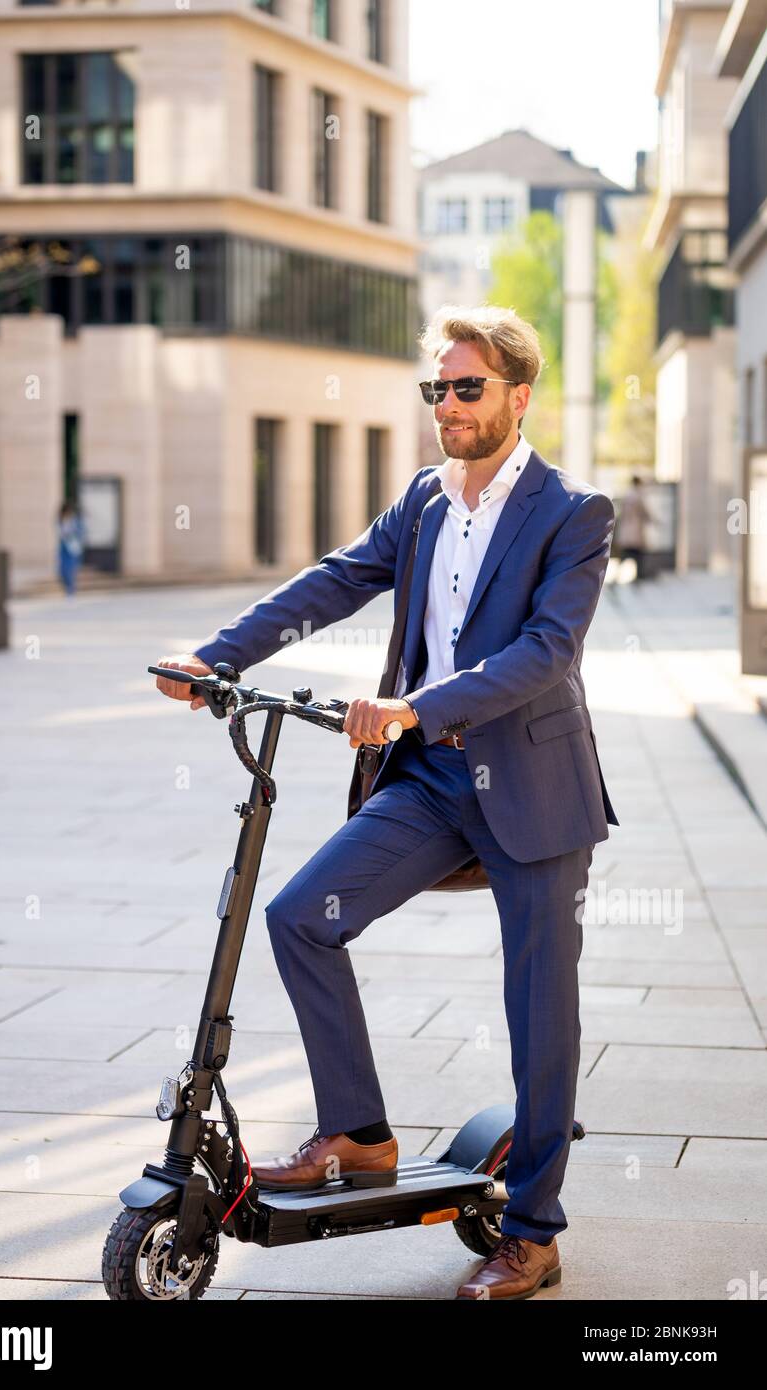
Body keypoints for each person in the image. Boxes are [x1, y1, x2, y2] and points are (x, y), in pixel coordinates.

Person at [156, 304, 620, 1301]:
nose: (446, 406)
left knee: (539, 1013)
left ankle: (531, 1235)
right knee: (300, 917)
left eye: (467, 388)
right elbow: (334, 580)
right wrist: (217, 654)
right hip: (431, 779)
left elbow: (545, 653)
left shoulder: (571, 513)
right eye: (436, 389)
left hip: (534, 787)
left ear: (517, 395)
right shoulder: (420, 501)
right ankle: (360, 1137)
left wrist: (413, 706)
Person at [616, 474, 654, 583]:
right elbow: (644, 511)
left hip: (627, 528)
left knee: (625, 553)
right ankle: (638, 575)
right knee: (638, 554)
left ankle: (619, 575)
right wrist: (652, 520)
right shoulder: (637, 495)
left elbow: (621, 513)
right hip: (635, 528)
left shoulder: (627, 494)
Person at [56, 502, 84, 596]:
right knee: (62, 569)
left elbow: (81, 532)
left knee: (71, 569)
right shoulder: (60, 520)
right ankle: (67, 587)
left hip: (73, 547)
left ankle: (70, 590)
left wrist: (73, 533)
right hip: (64, 546)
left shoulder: (75, 521)